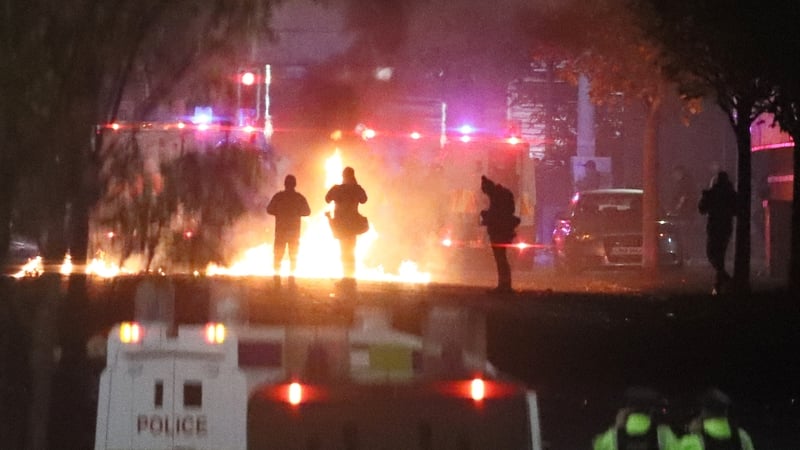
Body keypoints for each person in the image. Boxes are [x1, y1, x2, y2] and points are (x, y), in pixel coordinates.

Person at [593, 386, 680, 450]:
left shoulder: (613, 436)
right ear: (652, 409)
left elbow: (597, 446)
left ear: (627, 409)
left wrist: (616, 426)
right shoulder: (664, 433)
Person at [325, 166, 368, 292]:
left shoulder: (337, 189)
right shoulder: (357, 189)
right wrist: (355, 186)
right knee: (350, 251)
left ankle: (347, 279)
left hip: (341, 224)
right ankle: (349, 279)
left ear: (343, 176)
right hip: (352, 224)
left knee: (344, 252)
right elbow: (364, 199)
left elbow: (327, 199)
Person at [267, 174, 311, 290]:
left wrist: (279, 212)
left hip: (281, 230)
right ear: (294, 184)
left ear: (285, 184)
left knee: (278, 256)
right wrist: (296, 212)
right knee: (293, 257)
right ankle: (291, 282)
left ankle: (277, 281)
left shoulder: (279, 196)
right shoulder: (299, 197)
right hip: (294, 231)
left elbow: (269, 209)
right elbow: (307, 212)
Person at [479, 175, 520, 294]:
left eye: (485, 191)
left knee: (501, 259)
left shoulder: (497, 196)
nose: (486, 194)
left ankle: (504, 286)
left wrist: (486, 216)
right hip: (503, 231)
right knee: (501, 259)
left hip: (500, 232)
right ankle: (504, 285)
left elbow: (498, 215)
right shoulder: (501, 194)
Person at [698, 171, 737, 295]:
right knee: (720, 255)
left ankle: (723, 281)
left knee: (712, 254)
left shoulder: (712, 193)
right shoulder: (731, 194)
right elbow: (737, 210)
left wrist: (705, 195)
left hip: (714, 227)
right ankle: (721, 282)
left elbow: (702, 209)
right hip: (725, 228)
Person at [679, 388, 755, 450]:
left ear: (703, 412)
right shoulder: (742, 436)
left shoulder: (692, 441)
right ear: (726, 412)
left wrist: (689, 432)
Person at [667, 165, 698, 262]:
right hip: (686, 214)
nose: (673, 176)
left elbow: (682, 198)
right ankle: (684, 256)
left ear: (679, 173)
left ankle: (684, 256)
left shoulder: (684, 184)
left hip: (684, 214)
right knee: (684, 236)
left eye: (674, 174)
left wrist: (676, 209)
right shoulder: (687, 183)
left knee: (683, 236)